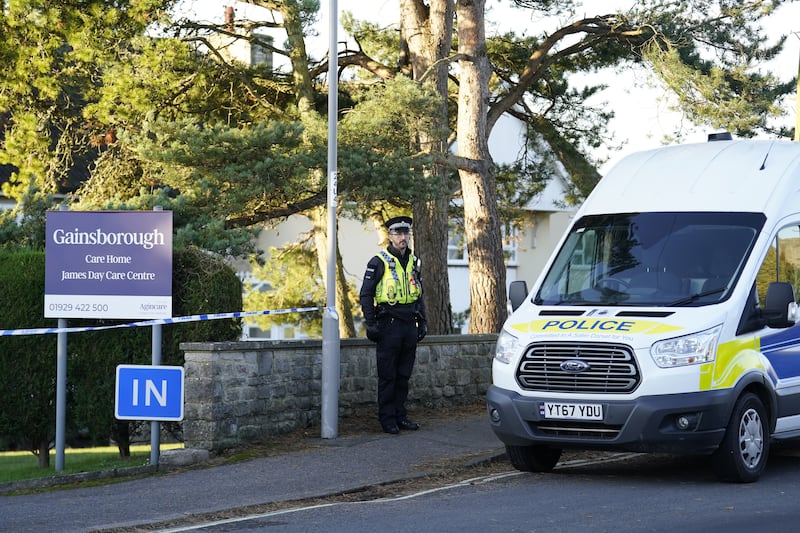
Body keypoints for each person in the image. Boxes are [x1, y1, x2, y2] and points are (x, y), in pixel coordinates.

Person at [359, 215, 428, 434]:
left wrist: (423, 321)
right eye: (398, 233)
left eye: (406, 233)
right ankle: (387, 419)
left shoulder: (414, 261)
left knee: (404, 375)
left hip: (409, 323)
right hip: (388, 323)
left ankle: (401, 416)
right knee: (388, 375)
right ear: (390, 236)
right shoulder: (378, 262)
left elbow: (419, 294)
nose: (403, 237)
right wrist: (370, 323)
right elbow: (366, 294)